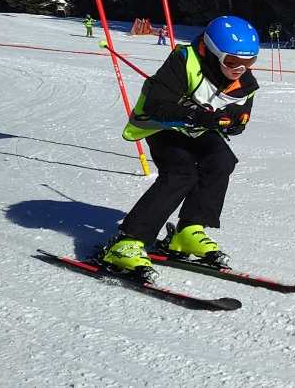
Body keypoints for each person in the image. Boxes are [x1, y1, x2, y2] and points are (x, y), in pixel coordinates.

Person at [100, 15, 260, 280]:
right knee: (181, 172)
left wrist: (235, 123)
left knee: (221, 159)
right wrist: (200, 117)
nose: (240, 69)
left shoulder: (245, 83)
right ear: (212, 50)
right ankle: (126, 242)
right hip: (160, 125)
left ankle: (188, 231)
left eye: (249, 61)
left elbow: (239, 115)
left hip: (198, 128)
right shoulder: (184, 61)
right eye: (232, 61)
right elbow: (156, 108)